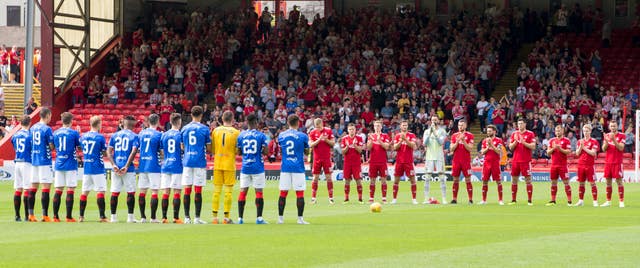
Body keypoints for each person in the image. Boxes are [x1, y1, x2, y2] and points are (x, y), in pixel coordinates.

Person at [236, 113, 269, 224]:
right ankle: (259, 218)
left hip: (245, 166)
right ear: (256, 122)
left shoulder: (241, 135)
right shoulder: (261, 135)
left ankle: (240, 218)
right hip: (257, 167)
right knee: (258, 191)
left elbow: (239, 152)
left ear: (247, 122)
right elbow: (266, 152)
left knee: (243, 191)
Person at [277, 114, 310, 224]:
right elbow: (307, 152)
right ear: (298, 123)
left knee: (283, 193)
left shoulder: (281, 135)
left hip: (285, 167)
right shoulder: (303, 136)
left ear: (288, 123)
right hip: (298, 167)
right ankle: (300, 219)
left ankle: (280, 219)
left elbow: (281, 150)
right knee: (299, 193)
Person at [107, 115, 140, 223]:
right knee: (130, 192)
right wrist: (126, 165)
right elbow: (134, 151)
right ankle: (130, 218)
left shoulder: (115, 135)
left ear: (124, 123)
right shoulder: (135, 136)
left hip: (116, 167)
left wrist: (113, 165)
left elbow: (108, 152)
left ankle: (113, 218)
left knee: (115, 193)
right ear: (133, 124)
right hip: (128, 169)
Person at [182, 106, 211, 224]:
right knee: (198, 189)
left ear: (191, 114)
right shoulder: (204, 129)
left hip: (187, 161)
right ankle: (197, 218)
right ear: (201, 115)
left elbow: (182, 146)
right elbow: (209, 148)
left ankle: (186, 217)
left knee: (187, 189)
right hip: (199, 161)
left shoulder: (184, 128)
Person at [211, 110, 239, 224]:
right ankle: (226, 218)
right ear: (232, 119)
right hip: (229, 164)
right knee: (228, 192)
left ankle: (214, 217)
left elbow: (212, 149)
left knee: (216, 191)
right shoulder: (236, 132)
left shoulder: (216, 131)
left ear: (222, 119)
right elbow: (237, 150)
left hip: (217, 163)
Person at [52, 112, 81, 222]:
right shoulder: (74, 133)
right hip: (70, 164)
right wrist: (79, 134)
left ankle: (55, 216)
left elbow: (53, 147)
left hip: (59, 163)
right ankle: (68, 217)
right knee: (70, 189)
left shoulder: (56, 133)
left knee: (58, 190)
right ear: (71, 121)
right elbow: (79, 147)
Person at [78, 116, 108, 222]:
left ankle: (81, 216)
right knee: (100, 191)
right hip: (97, 168)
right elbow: (105, 153)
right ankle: (102, 216)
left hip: (87, 168)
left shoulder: (83, 136)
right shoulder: (100, 137)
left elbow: (80, 147)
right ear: (99, 124)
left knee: (84, 192)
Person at [28, 107, 55, 222]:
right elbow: (51, 146)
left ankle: (31, 215)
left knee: (33, 188)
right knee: (45, 188)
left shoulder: (33, 128)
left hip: (34, 160)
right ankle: (45, 215)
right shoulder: (47, 129)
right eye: (50, 116)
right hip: (44, 161)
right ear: (48, 115)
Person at [137, 114, 163, 223]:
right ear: (157, 122)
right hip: (154, 165)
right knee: (154, 191)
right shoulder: (158, 135)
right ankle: (153, 218)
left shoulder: (141, 134)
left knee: (142, 191)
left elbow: (138, 148)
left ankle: (143, 217)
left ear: (148, 122)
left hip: (143, 165)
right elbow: (161, 152)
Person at [160, 113, 184, 223]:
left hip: (166, 165)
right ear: (179, 123)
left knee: (166, 192)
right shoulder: (180, 135)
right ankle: (176, 217)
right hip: (177, 166)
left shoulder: (164, 135)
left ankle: (164, 217)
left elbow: (162, 151)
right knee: (177, 192)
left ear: (170, 122)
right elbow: (182, 148)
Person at [508, 118, 536, 205]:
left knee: (528, 180)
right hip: (515, 160)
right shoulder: (514, 134)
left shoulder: (530, 134)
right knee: (514, 180)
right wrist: (516, 141)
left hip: (525, 161)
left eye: (521, 123)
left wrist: (524, 142)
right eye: (518, 123)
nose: (519, 125)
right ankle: (513, 200)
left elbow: (533, 146)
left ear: (525, 124)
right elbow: (510, 147)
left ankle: (529, 200)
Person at [309, 118, 336, 204]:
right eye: (316, 126)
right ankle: (313, 198)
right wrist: (319, 139)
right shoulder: (312, 132)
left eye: (319, 126)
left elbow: (333, 143)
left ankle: (331, 198)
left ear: (322, 124)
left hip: (326, 158)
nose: (317, 128)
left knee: (328, 177)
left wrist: (326, 139)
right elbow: (310, 145)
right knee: (315, 178)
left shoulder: (328, 131)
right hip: (316, 158)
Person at [422, 116, 448, 204]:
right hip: (429, 157)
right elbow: (424, 143)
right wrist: (430, 133)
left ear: (438, 121)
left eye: (435, 120)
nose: (434, 121)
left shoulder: (442, 131)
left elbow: (441, 142)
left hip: (439, 156)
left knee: (442, 178)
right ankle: (426, 198)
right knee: (427, 178)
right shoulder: (426, 131)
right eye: (432, 120)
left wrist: (435, 134)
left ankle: (444, 199)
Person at [392, 120, 418, 205]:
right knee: (396, 180)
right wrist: (400, 140)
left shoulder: (412, 135)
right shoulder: (397, 136)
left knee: (412, 180)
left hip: (408, 161)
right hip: (399, 161)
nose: (404, 127)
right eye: (403, 125)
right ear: (400, 126)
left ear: (407, 126)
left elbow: (413, 146)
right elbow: (395, 147)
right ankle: (394, 199)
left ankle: (414, 199)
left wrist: (405, 139)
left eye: (406, 125)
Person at [11, 115, 32, 221]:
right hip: (26, 162)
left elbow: (13, 146)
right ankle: (26, 216)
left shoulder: (15, 135)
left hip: (17, 162)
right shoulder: (29, 135)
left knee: (18, 189)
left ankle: (17, 215)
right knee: (26, 189)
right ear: (30, 123)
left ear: (20, 123)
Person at [545, 125, 573, 206]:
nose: (557, 132)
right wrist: (553, 148)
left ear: (562, 131)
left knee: (566, 183)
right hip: (554, 165)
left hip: (563, 165)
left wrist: (560, 149)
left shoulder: (566, 140)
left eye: (559, 130)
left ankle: (569, 201)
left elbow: (568, 152)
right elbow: (548, 152)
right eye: (556, 131)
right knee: (553, 183)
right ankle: (553, 200)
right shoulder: (551, 140)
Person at [601, 121, 625, 207]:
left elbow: (621, 148)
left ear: (617, 126)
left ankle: (621, 201)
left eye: (614, 126)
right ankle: (608, 201)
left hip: (617, 162)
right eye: (611, 126)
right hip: (608, 162)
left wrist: (613, 139)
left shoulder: (622, 135)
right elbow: (603, 149)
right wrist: (607, 142)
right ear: (609, 127)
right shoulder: (607, 135)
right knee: (608, 182)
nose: (613, 128)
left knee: (619, 181)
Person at [450, 119, 475, 204]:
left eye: (462, 125)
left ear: (465, 126)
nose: (460, 127)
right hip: (456, 161)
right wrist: (457, 141)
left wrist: (463, 140)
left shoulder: (470, 135)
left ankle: (470, 199)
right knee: (455, 180)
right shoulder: (454, 135)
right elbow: (451, 149)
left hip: (466, 161)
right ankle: (454, 199)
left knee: (468, 180)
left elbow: (470, 148)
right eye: (459, 125)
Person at [575, 124, 600, 207]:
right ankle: (581, 200)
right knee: (581, 183)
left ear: (590, 131)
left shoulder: (594, 141)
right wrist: (580, 147)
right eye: (584, 131)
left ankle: (595, 201)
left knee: (592, 183)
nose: (585, 133)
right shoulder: (580, 141)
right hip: (581, 165)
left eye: (587, 131)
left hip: (590, 165)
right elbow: (577, 153)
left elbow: (593, 153)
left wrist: (584, 148)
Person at [366, 120, 390, 203]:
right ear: (373, 127)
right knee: (372, 180)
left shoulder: (385, 136)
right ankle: (371, 198)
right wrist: (372, 140)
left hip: (382, 161)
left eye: (379, 125)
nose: (377, 127)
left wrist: (379, 141)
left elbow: (387, 147)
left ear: (381, 127)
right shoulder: (371, 136)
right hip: (373, 161)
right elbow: (368, 148)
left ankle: (384, 198)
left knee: (383, 179)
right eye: (376, 125)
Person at [479, 125, 504, 205]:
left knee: (498, 181)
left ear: (494, 131)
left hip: (495, 163)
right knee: (484, 182)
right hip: (486, 163)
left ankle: (500, 200)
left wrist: (492, 145)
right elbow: (482, 152)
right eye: (487, 131)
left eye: (490, 131)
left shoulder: (499, 140)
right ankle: (484, 200)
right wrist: (488, 146)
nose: (488, 132)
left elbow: (498, 152)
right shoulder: (484, 140)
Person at [341, 123, 365, 204]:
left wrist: (354, 145)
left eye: (353, 129)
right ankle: (346, 198)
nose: (352, 131)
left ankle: (360, 199)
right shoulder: (344, 139)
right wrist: (347, 146)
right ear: (348, 130)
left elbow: (360, 150)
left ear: (355, 130)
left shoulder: (359, 138)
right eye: (350, 129)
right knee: (347, 180)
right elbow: (343, 152)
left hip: (356, 163)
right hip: (347, 163)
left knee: (358, 180)